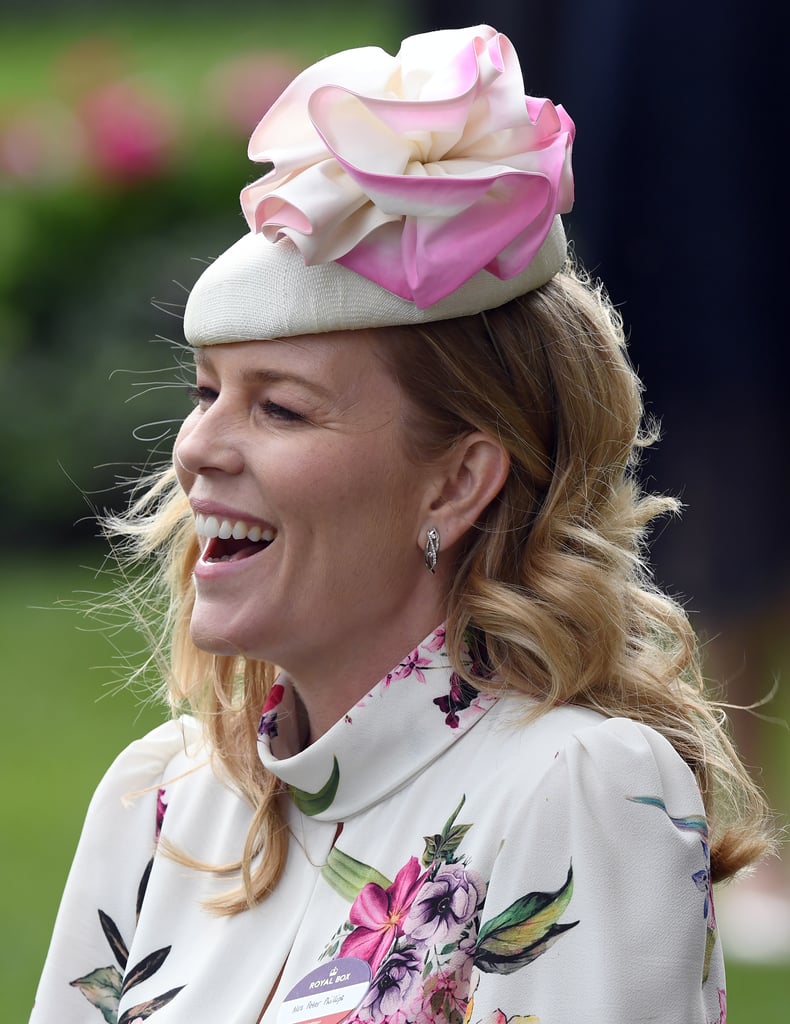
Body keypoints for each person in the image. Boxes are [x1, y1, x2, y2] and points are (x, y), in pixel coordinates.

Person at [31, 24, 773, 1024]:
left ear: (458, 480)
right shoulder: (156, 797)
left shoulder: (575, 787)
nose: (199, 447)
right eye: (206, 392)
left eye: (279, 407)